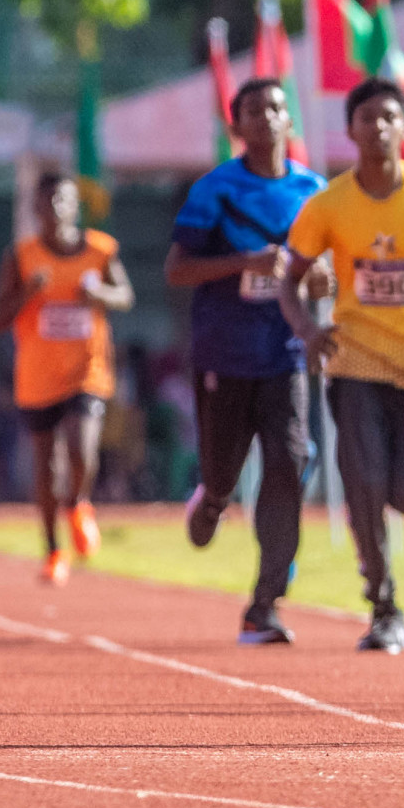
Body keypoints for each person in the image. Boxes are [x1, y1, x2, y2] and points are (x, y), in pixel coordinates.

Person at [281, 77, 404, 655]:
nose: (377, 127)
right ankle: (384, 604)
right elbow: (289, 280)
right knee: (364, 481)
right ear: (351, 129)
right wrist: (307, 330)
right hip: (355, 361)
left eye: (388, 117)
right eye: (366, 118)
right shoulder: (327, 204)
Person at [166, 77, 329, 645]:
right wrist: (245, 262)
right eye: (254, 110)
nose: (266, 118)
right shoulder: (216, 189)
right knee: (224, 471)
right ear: (237, 125)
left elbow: (330, 267)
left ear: (291, 120)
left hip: (285, 354)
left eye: (277, 108)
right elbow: (177, 270)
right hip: (223, 354)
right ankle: (212, 497)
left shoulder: (314, 188)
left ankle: (265, 604)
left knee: (290, 464)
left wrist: (322, 279)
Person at [0, 171, 134, 585]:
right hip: (37, 376)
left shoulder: (100, 250)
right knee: (45, 465)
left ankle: (80, 503)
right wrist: (28, 293)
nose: (56, 208)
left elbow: (125, 296)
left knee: (82, 449)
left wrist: (99, 296)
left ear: (77, 206)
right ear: (35, 208)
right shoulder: (21, 257)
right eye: (48, 200)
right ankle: (53, 549)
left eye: (64, 200)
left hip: (85, 371)